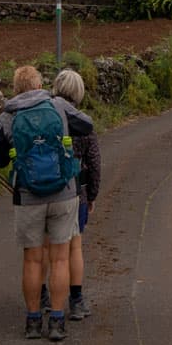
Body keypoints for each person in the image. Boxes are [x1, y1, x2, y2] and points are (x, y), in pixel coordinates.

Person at [0, 65, 92, 341]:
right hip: (64, 192)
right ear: (38, 84)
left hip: (27, 196)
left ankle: (34, 320)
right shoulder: (57, 104)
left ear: (15, 88)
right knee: (60, 257)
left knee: (32, 259)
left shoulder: (8, 115)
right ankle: (58, 321)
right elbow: (87, 125)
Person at [51, 69, 101, 321]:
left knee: (51, 249)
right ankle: (76, 300)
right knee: (74, 247)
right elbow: (93, 162)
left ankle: (47, 297)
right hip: (76, 192)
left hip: (47, 190)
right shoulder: (83, 121)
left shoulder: (47, 116)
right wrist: (91, 195)